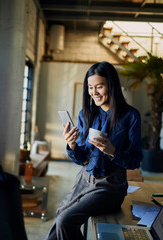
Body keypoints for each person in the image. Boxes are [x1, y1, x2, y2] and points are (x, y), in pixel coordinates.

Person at [45, 62, 142, 240]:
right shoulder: (86, 113)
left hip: (110, 187)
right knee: (58, 219)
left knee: (65, 221)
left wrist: (113, 151)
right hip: (84, 180)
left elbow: (135, 160)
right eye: (90, 87)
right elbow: (82, 159)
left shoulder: (130, 116)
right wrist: (72, 144)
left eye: (99, 86)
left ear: (111, 86)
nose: (94, 92)